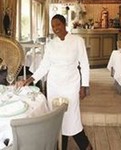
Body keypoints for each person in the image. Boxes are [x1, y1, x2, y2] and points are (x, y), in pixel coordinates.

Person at [16, 14, 92, 150]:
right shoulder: (51, 45)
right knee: (57, 119)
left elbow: (85, 64)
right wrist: (29, 80)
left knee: (72, 118)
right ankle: (60, 147)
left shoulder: (77, 40)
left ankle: (85, 145)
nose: (56, 28)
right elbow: (44, 66)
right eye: (53, 26)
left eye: (58, 24)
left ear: (64, 24)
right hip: (54, 86)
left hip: (71, 85)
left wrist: (84, 85)